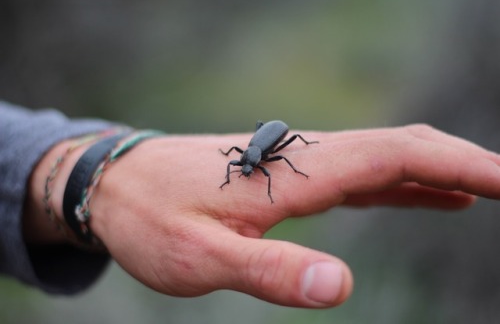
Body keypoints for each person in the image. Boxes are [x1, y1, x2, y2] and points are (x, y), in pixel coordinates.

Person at [2, 101, 500, 309]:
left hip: (274, 135)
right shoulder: (244, 157)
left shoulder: (265, 155)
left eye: (244, 166)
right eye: (242, 167)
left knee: (287, 160)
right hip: (262, 137)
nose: (243, 169)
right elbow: (239, 161)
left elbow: (266, 160)